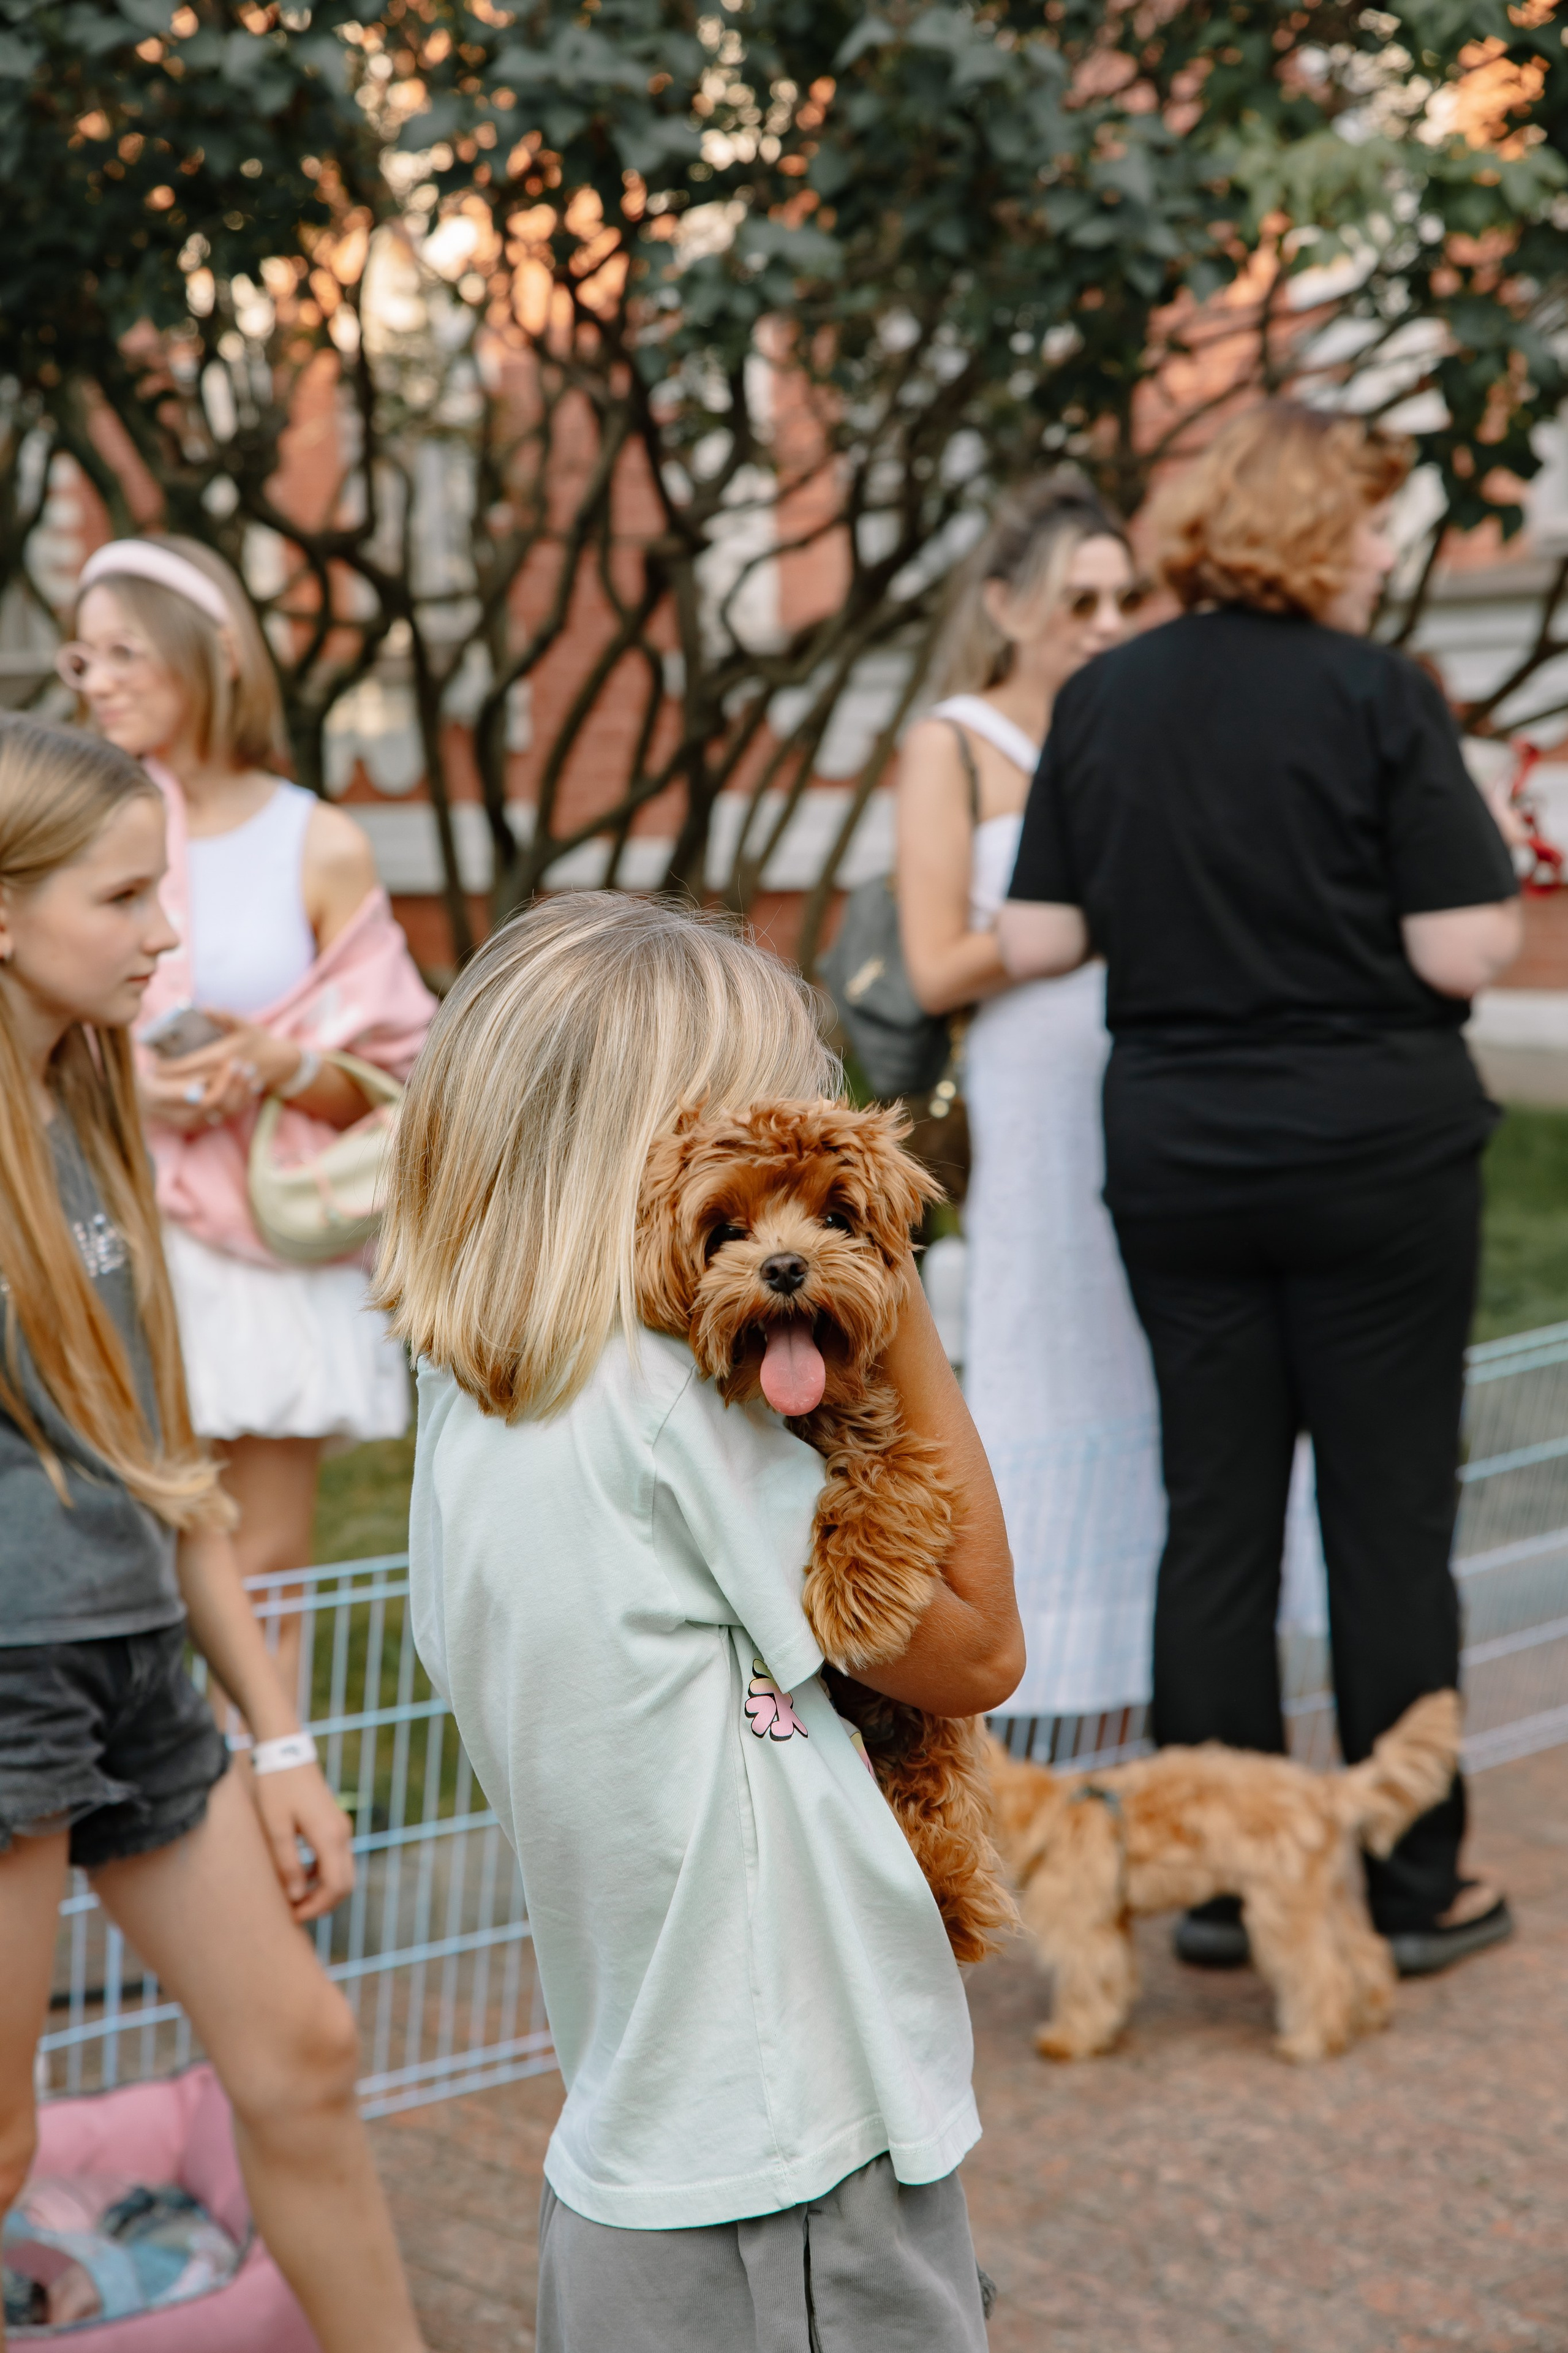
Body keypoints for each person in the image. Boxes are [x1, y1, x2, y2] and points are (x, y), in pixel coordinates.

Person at [374, 893, 1023, 2352]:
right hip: (788, 2134)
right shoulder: (669, 1408)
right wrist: (894, 1292)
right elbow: (977, 1646)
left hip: (637, 2118)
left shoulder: (467, 1390)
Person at [998, 401, 1521, 1976]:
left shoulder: (1102, 701)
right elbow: (1464, 946)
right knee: (1382, 1517)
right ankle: (1414, 1887)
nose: (1380, 547)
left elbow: (1034, 938)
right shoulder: (1378, 696)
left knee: (1210, 1516)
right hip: (1372, 1152)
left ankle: (1218, 1883)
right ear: (1308, 529)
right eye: (1364, 519)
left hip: (1175, 1152)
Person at [0, 715, 426, 2352]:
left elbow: (168, 1467)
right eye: (123, 899)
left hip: (138, 1679)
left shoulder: (98, 1106)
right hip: (13, 1693)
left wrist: (283, 1742)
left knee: (304, 2051)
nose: (167, 934)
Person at [58, 536, 435, 1691]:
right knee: (122, 1541)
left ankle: (267, 1790)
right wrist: (135, 1084)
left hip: (268, 1245)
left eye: (127, 650)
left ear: (211, 654)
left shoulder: (316, 842)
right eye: (84, 655)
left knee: (263, 1555)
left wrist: (275, 1061)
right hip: (120, 1219)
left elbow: (395, 1080)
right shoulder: (75, 821)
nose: (98, 680)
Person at [895, 480, 1163, 1754]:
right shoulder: (950, 744)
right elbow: (933, 959)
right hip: (1028, 1091)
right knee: (1039, 1343)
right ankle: (1033, 1661)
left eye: (1128, 597)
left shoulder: (1141, 720)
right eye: (1080, 599)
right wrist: (1067, 924)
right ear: (1005, 607)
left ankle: (1149, 1643)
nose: (1107, 622)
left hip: (1156, 1078)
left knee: (1147, 1350)